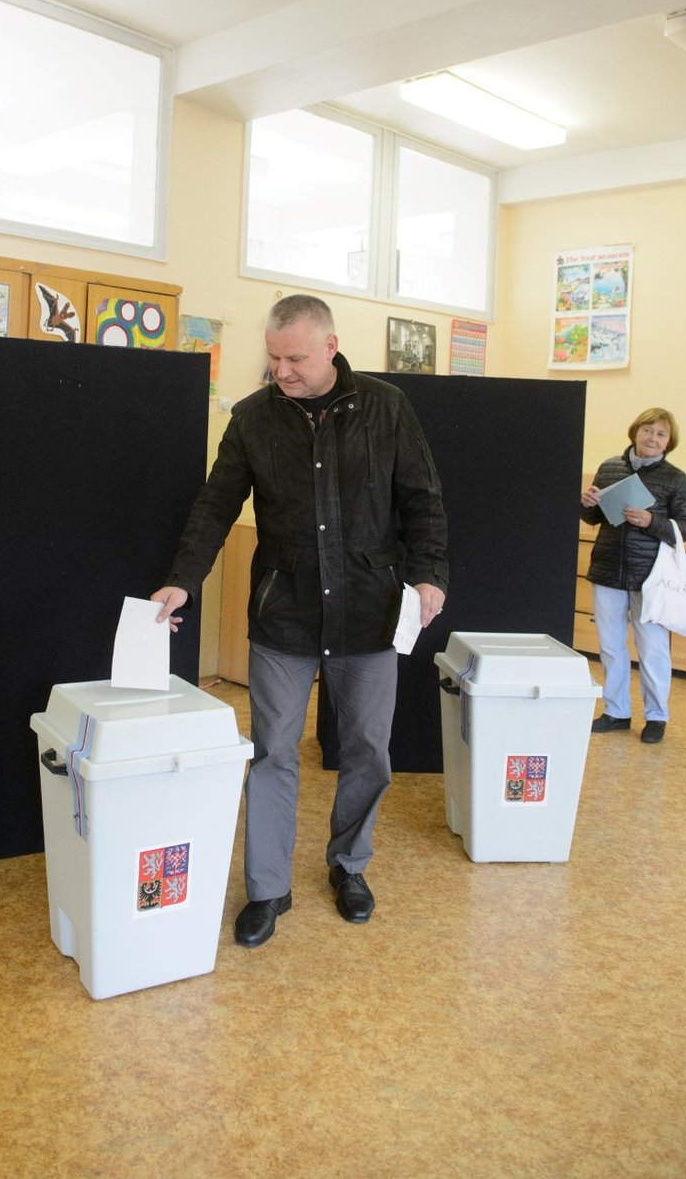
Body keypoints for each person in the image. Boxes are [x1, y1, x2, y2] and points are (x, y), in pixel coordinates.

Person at [152, 295, 448, 948]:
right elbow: (215, 504)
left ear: (330, 346)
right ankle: (267, 887)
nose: (280, 370)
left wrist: (429, 574)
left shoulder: (385, 407)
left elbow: (422, 498)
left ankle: (349, 865)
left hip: (370, 611)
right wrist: (182, 580)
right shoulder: (254, 419)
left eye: (294, 358)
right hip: (283, 614)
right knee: (272, 751)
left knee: (368, 749)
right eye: (273, 356)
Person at [580, 407, 686, 744]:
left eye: (661, 434)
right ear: (635, 432)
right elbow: (593, 518)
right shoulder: (610, 467)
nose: (652, 438)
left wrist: (652, 522)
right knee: (611, 647)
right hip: (608, 569)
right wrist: (586, 503)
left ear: (668, 442)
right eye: (648, 430)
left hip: (651, 577)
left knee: (654, 648)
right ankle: (616, 711)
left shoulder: (676, 478)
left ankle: (657, 716)